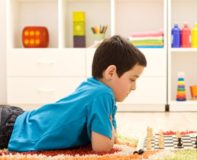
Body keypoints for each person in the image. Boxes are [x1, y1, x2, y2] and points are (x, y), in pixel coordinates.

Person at [0, 35, 147, 152]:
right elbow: (102, 147)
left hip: (17, 120)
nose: (134, 87)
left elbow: (112, 138)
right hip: (11, 130)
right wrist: (110, 132)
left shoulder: (94, 87)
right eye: (132, 79)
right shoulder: (103, 95)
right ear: (111, 72)